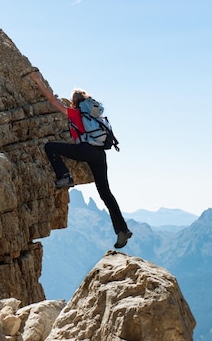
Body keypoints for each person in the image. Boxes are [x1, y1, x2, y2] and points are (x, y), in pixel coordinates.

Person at [27, 68, 133, 249]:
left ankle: (65, 176)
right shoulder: (95, 114)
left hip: (86, 150)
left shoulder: (76, 114)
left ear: (75, 103)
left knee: (50, 147)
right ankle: (122, 229)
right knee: (105, 193)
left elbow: (52, 100)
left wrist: (37, 80)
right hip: (100, 154)